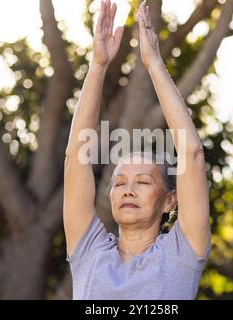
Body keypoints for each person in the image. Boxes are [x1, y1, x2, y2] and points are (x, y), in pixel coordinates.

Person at [63, 0, 211, 300]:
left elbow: (192, 155)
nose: (128, 190)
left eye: (143, 182)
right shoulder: (88, 251)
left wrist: (154, 64)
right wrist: (98, 65)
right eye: (119, 183)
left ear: (171, 200)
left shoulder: (182, 254)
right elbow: (76, 157)